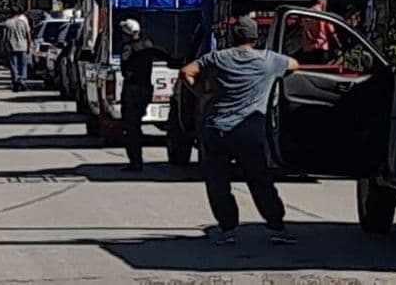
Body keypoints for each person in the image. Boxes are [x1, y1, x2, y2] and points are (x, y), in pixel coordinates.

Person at [180, 16, 300, 246]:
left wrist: (201, 95)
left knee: (217, 182)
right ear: (255, 37)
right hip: (249, 130)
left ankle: (228, 229)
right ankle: (276, 225)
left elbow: (186, 72)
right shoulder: (268, 61)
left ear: (233, 37)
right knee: (259, 180)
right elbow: (295, 65)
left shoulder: (217, 58)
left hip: (216, 129)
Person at [117, 19, 179, 172]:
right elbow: (164, 56)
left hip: (133, 90)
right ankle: (136, 160)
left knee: (131, 127)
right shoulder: (148, 44)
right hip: (146, 89)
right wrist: (177, 62)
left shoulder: (128, 48)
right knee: (135, 124)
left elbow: (125, 69)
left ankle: (135, 161)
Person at [300, 0, 340, 64]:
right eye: (326, 1)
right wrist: (339, 46)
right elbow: (331, 32)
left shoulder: (305, 14)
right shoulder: (324, 15)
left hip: (308, 50)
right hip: (322, 49)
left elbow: (305, 31)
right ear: (321, 0)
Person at [2, 7, 32, 91]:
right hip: (23, 46)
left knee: (13, 65)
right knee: (23, 65)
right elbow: (28, 34)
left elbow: (5, 37)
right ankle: (22, 80)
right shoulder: (23, 22)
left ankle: (15, 80)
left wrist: (4, 47)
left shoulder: (7, 23)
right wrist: (29, 46)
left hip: (12, 47)